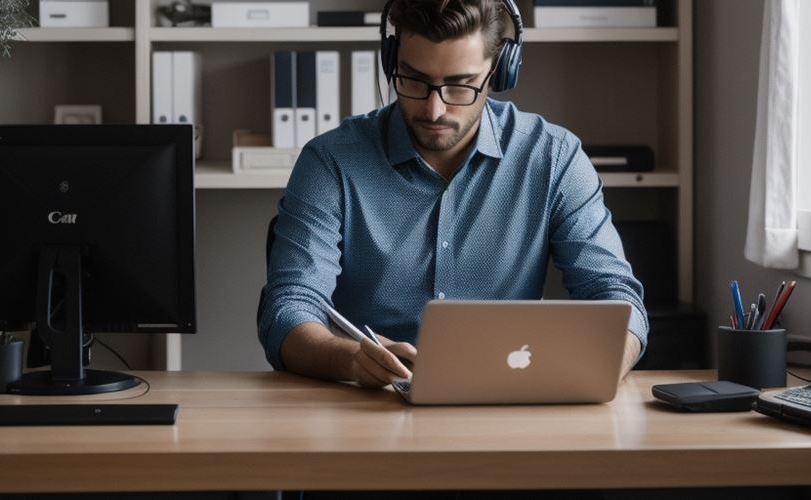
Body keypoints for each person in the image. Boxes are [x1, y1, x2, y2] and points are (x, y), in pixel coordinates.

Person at [257, 0, 648, 388]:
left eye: (460, 85)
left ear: (498, 72)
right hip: (365, 407)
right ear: (392, 62)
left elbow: (615, 296)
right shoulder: (330, 161)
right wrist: (352, 360)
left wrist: (602, 366)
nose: (434, 109)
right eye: (414, 80)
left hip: (510, 402)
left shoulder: (554, 158)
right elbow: (289, 308)